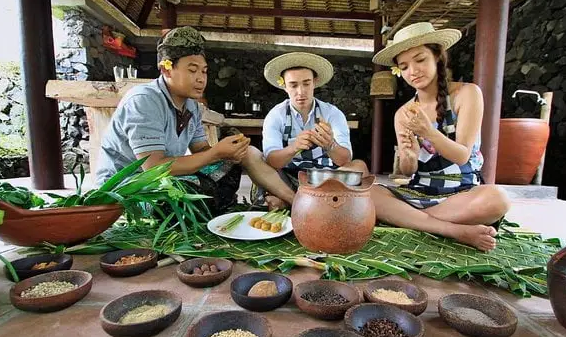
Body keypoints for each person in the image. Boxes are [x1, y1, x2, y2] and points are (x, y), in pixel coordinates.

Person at [95, 26, 295, 214]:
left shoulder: (192, 106)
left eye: (204, 71)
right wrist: (216, 152)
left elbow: (201, 151)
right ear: (166, 69)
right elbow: (154, 167)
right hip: (129, 190)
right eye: (192, 70)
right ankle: (211, 208)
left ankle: (296, 202)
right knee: (184, 193)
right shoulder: (144, 100)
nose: (201, 78)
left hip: (164, 179)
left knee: (244, 155)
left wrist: (229, 152)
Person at [370, 22, 510, 251]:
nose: (413, 71)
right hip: (418, 193)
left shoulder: (467, 94)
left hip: (462, 195)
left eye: (420, 59)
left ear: (437, 56)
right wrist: (408, 154)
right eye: (404, 67)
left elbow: (463, 156)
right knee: (369, 192)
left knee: (498, 198)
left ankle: (410, 221)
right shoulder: (403, 113)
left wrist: (428, 132)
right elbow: (408, 171)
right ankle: (454, 230)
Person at [259, 52, 368, 209]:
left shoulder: (332, 113)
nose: (301, 91)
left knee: (359, 166)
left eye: (306, 83)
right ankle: (300, 200)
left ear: (315, 82)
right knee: (252, 155)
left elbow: (345, 160)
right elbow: (272, 160)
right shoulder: (276, 114)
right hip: (288, 177)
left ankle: (302, 201)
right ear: (284, 86)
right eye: (293, 85)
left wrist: (330, 144)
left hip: (326, 178)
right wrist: (294, 147)